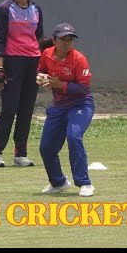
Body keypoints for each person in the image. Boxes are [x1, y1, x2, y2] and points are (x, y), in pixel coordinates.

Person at [0, 0, 52, 168]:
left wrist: (53, 44)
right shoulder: (5, 8)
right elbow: (0, 40)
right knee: (9, 108)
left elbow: (39, 39)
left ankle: (20, 154)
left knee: (26, 109)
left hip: (32, 62)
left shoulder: (36, 9)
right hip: (12, 61)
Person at [37, 23, 95, 197]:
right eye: (63, 39)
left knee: (73, 136)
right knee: (46, 147)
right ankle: (58, 182)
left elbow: (83, 89)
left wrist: (60, 85)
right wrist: (40, 78)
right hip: (59, 106)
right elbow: (40, 71)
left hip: (81, 105)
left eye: (70, 39)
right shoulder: (47, 54)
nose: (67, 43)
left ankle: (85, 183)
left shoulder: (79, 59)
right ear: (54, 40)